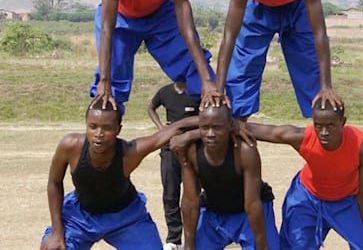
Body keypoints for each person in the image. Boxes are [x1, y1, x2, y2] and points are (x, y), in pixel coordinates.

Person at [215, 0, 343, 119]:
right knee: (244, 65)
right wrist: (219, 89)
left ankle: (322, 126)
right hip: (259, 11)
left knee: (309, 64)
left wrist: (326, 86)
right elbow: (229, 35)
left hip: (296, 9)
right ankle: (238, 126)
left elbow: (319, 33)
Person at [40, 103, 200, 250]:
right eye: (93, 127)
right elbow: (54, 182)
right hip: (82, 215)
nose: (99, 134)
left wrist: (203, 125)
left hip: (126, 217)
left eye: (107, 128)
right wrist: (57, 232)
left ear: (118, 129)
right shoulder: (70, 146)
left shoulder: (130, 152)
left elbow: (175, 128)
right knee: (54, 247)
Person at [89, 0, 217, 112]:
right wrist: (105, 80)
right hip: (121, 19)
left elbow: (188, 32)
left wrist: (207, 81)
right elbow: (106, 29)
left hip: (160, 18)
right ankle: (104, 123)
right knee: (111, 78)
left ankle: (212, 119)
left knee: (193, 68)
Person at [244, 100, 363, 250]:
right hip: (307, 199)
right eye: (318, 125)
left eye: (330, 126)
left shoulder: (362, 146)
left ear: (342, 122)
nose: (324, 132)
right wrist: (233, 124)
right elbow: (270, 132)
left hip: (347, 201)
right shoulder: (305, 138)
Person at [179, 105, 280, 249]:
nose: (210, 134)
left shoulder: (245, 151)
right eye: (205, 128)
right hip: (214, 212)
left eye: (217, 127)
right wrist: (189, 244)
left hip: (249, 213)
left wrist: (262, 245)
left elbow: (252, 203)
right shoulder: (192, 151)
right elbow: (190, 200)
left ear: (231, 126)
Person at [146, 81, 201, 250]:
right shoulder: (165, 92)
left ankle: (195, 238)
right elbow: (151, 107)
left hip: (193, 149)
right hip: (170, 149)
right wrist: (161, 128)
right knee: (170, 194)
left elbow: (205, 117)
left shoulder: (197, 92)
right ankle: (173, 239)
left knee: (194, 195)